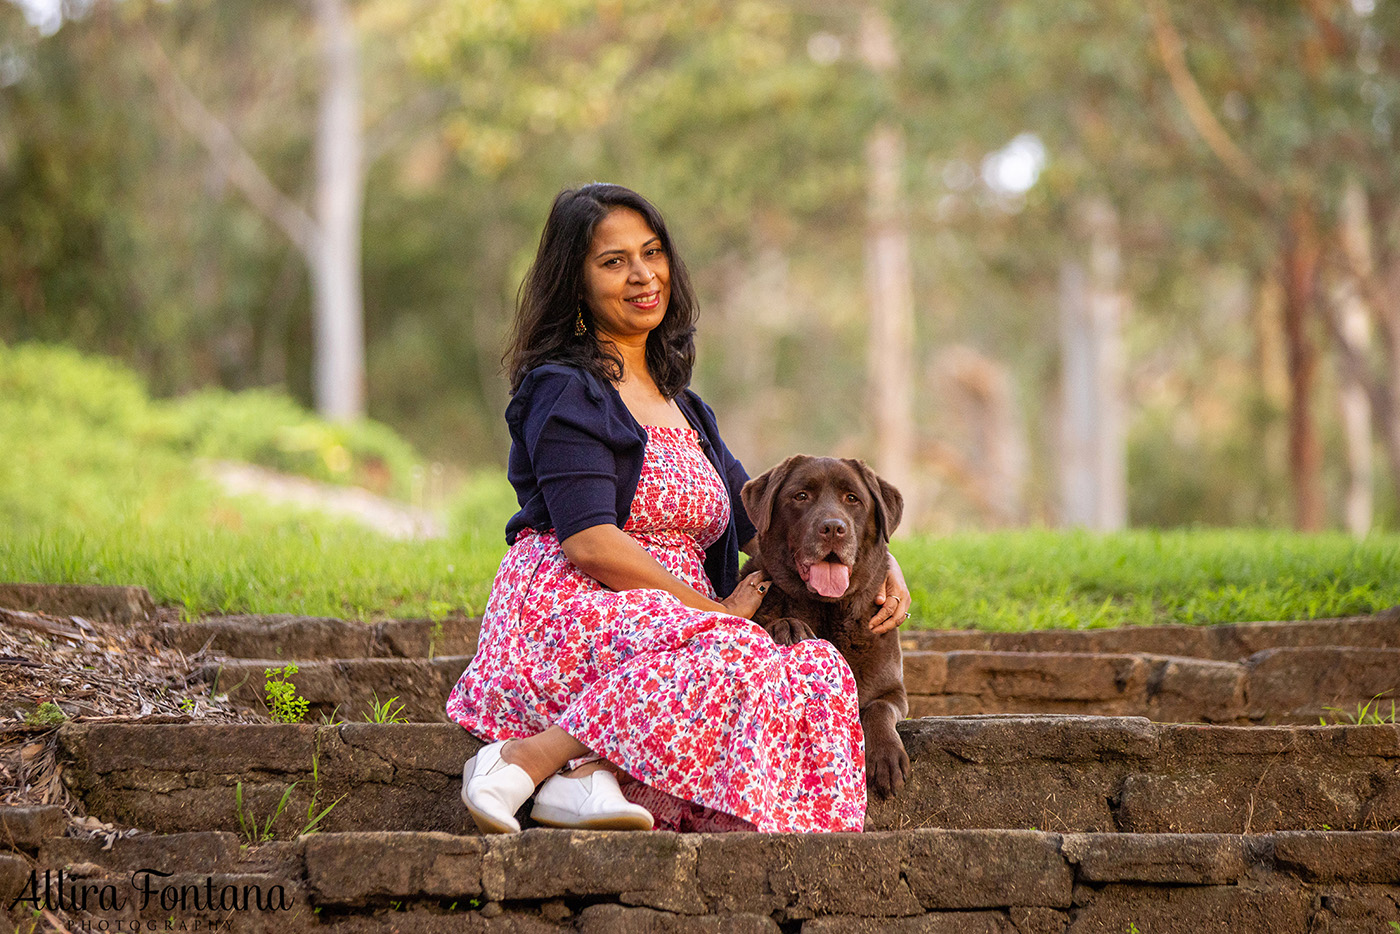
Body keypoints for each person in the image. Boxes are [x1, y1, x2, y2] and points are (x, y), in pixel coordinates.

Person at [445, 182, 911, 834]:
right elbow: (590, 543)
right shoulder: (565, 389)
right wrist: (716, 614)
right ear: (575, 283)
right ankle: (525, 758)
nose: (643, 275)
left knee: (814, 666)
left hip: (680, 618)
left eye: (653, 252)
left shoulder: (686, 408)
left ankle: (584, 778)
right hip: (580, 602)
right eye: (614, 262)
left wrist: (878, 559)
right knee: (745, 648)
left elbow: (773, 524)